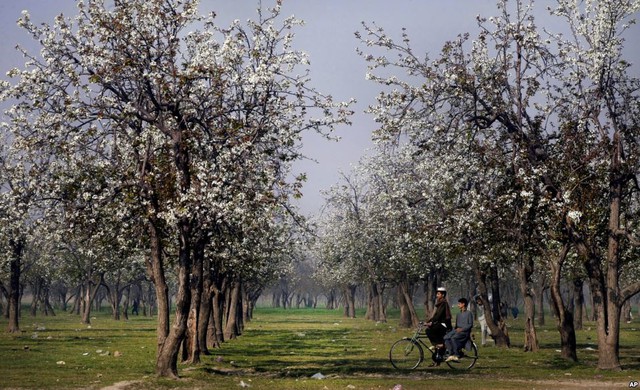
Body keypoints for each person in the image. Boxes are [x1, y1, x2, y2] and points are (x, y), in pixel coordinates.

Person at [425, 287, 452, 359]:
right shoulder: (440, 303)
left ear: (442, 295)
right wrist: (428, 322)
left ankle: (438, 345)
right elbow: (435, 316)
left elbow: (438, 315)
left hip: (444, 324)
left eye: (438, 294)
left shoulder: (443, 303)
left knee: (428, 331)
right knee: (433, 334)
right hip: (440, 324)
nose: (437, 295)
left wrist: (431, 322)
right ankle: (438, 349)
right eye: (437, 294)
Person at [444, 298, 474, 362]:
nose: (458, 305)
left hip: (464, 332)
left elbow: (470, 325)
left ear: (463, 304)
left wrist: (462, 329)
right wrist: (453, 330)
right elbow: (456, 326)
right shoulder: (458, 314)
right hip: (457, 331)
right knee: (446, 337)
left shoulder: (469, 313)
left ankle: (456, 354)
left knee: (453, 338)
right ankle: (451, 353)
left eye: (459, 304)